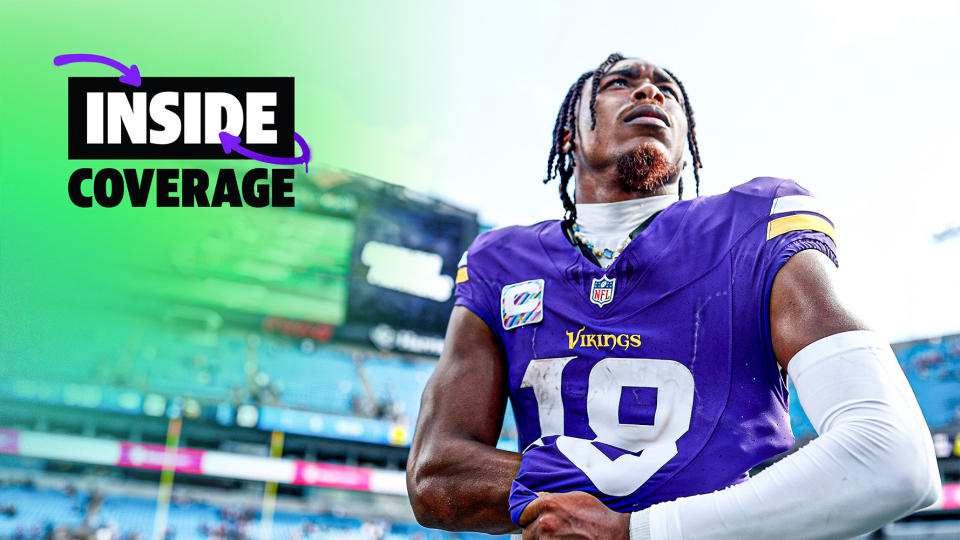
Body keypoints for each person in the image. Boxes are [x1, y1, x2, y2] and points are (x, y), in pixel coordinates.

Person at [406, 53, 941, 539]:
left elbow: (893, 457)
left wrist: (631, 529)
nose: (649, 92)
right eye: (621, 83)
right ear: (570, 133)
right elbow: (436, 475)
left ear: (687, 149)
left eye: (668, 90)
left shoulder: (756, 222)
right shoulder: (499, 262)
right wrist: (668, 477)